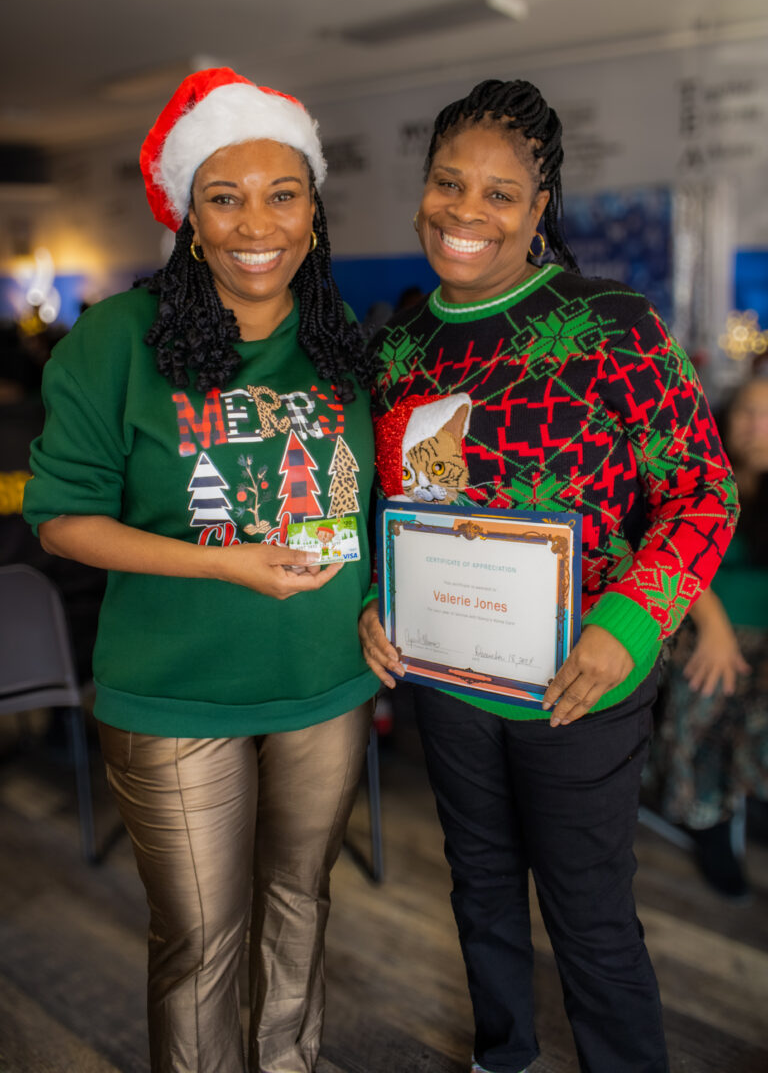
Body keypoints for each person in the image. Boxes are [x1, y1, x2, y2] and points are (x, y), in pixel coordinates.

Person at [358, 79, 739, 1073]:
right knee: (478, 883)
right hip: (447, 676)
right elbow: (388, 513)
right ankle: (503, 1055)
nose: (466, 212)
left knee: (589, 912)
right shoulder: (400, 348)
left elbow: (703, 492)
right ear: (424, 190)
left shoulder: (615, 325)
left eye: (498, 193)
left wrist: (630, 625)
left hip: (582, 682)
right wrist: (375, 603)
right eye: (449, 183)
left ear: (538, 210)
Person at [23, 67, 378, 1073]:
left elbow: (380, 502)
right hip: (173, 692)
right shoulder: (116, 343)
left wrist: (384, 601)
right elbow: (59, 520)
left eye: (283, 194)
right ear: (189, 215)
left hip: (323, 681)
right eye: (224, 197)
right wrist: (225, 566)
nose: (254, 222)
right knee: (201, 943)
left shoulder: (342, 347)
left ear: (314, 211)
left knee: (300, 906)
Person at [653, 376, 768, 900]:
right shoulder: (701, 477)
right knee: (709, 684)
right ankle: (709, 817)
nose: (756, 425)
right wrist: (716, 627)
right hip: (703, 623)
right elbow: (669, 551)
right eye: (746, 410)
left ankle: (748, 792)